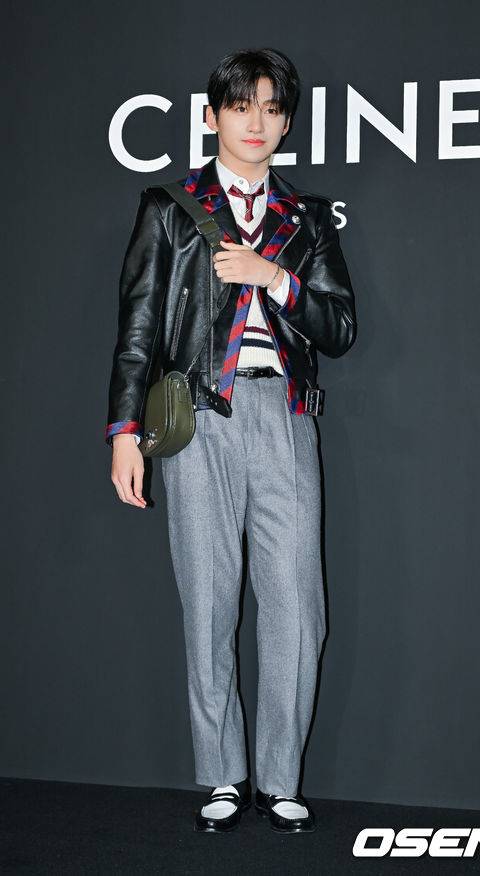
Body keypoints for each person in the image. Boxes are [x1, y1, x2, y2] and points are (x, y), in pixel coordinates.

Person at [105, 47, 357, 834]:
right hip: (199, 418)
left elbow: (340, 328)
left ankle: (280, 780)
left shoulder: (306, 219)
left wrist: (272, 277)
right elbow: (138, 327)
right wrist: (125, 431)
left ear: (286, 122)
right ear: (212, 116)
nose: (256, 122)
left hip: (285, 416)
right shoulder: (170, 207)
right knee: (208, 604)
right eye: (242, 106)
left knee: (298, 608)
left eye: (271, 109)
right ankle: (222, 774)